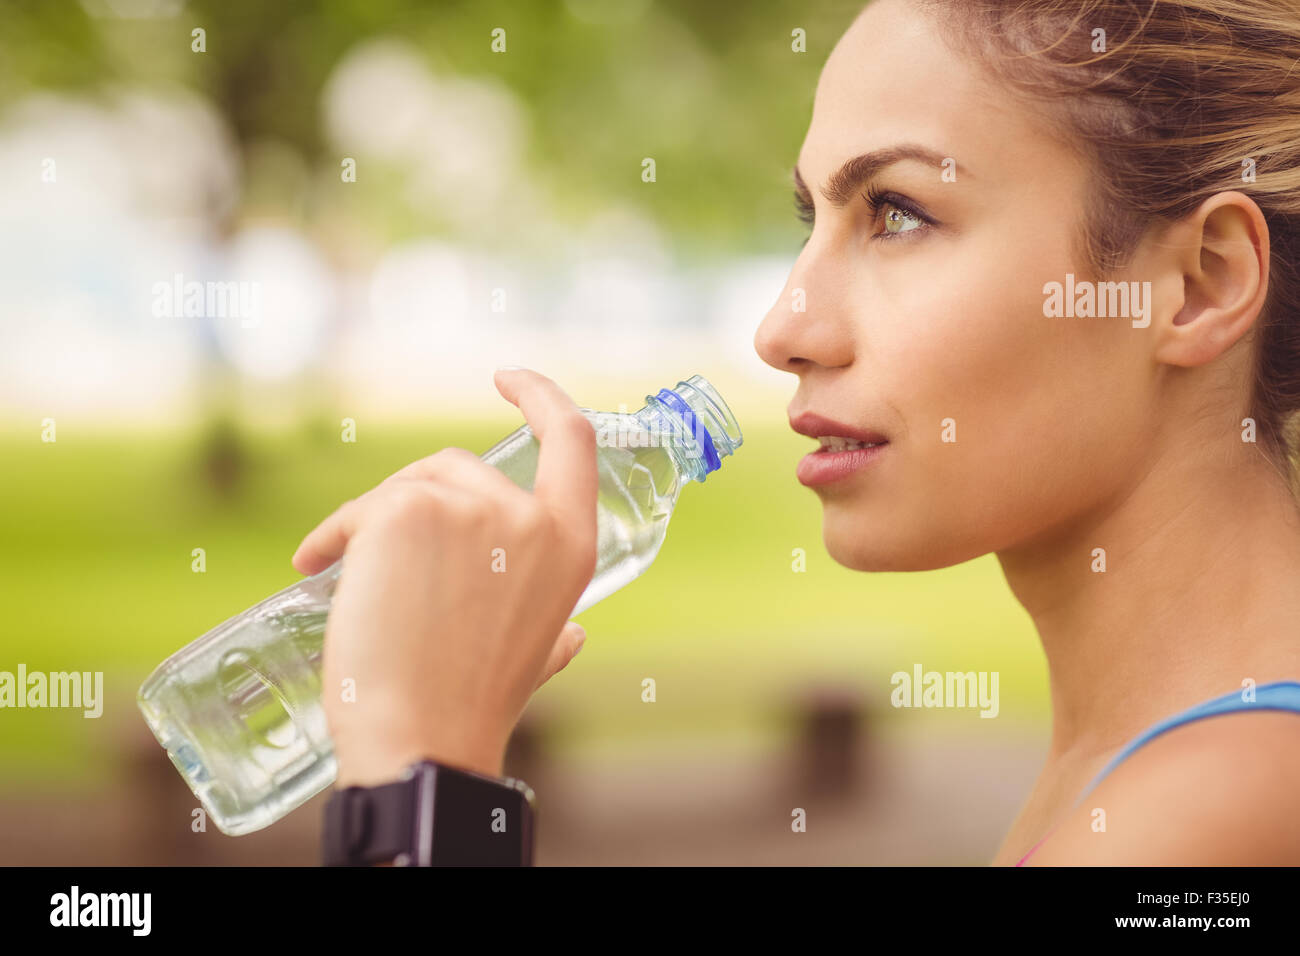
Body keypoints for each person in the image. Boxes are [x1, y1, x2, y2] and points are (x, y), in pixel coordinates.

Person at [304, 0, 1300, 865]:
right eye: (810, 217)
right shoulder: (1159, 760)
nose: (782, 329)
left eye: (897, 214)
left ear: (1196, 283)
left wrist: (416, 766)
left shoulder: (1225, 802)